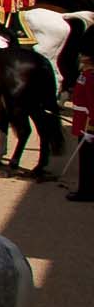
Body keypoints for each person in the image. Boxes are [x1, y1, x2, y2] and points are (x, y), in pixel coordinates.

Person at [67, 52, 94, 202]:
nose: (81, 56)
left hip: (88, 124)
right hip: (82, 120)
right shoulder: (86, 73)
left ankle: (86, 191)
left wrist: (91, 127)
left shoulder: (91, 76)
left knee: (88, 161)